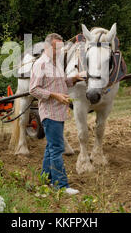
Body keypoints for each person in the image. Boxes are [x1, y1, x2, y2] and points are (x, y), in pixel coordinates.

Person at [29, 33, 85, 195]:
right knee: (57, 148)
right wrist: (55, 96)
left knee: (51, 148)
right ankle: (61, 186)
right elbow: (33, 89)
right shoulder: (41, 64)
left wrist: (74, 79)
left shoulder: (56, 63)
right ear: (47, 47)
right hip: (50, 112)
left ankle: (44, 181)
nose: (59, 51)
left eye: (60, 48)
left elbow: (60, 82)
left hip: (59, 112)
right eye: (55, 48)